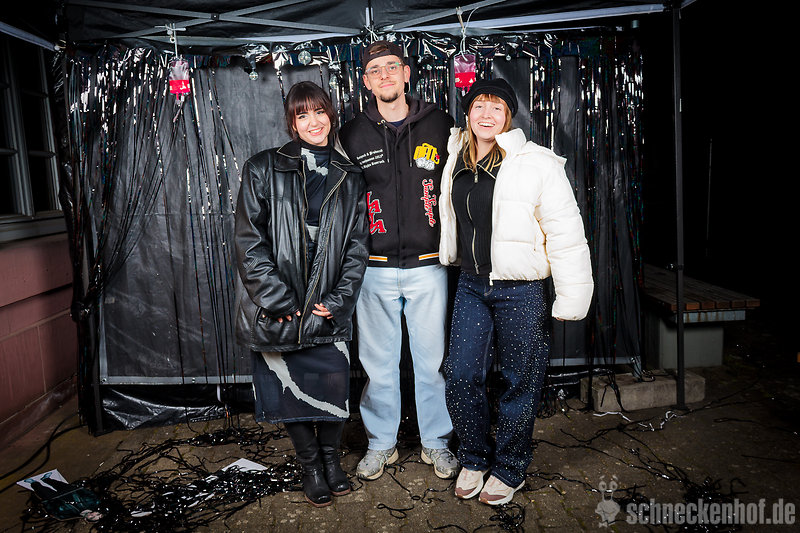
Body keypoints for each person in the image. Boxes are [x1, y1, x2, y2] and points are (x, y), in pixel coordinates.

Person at [438, 78, 593, 505]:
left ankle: (509, 467)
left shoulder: (537, 162)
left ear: (509, 116)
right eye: (479, 106)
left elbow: (566, 232)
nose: (486, 115)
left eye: (497, 108)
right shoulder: (457, 157)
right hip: (471, 284)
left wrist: (572, 297)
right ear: (468, 113)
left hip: (521, 289)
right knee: (461, 375)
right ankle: (474, 458)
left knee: (520, 381)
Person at [234, 81, 369, 507]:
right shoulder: (262, 167)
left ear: (331, 114)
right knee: (288, 392)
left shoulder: (350, 175)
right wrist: (278, 299)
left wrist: (340, 300)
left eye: (319, 112)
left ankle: (331, 460)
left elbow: (357, 247)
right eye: (302, 114)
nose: (313, 122)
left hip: (326, 303)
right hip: (279, 306)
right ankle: (310, 466)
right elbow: (248, 242)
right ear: (292, 122)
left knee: (332, 386)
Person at [339, 40, 458, 480]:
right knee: (378, 367)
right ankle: (380, 444)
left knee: (431, 364)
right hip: (374, 268)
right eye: (376, 70)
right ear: (366, 82)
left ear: (407, 73)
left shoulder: (441, 124)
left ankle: (436, 443)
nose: (385, 75)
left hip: (429, 265)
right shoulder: (351, 134)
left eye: (392, 67)